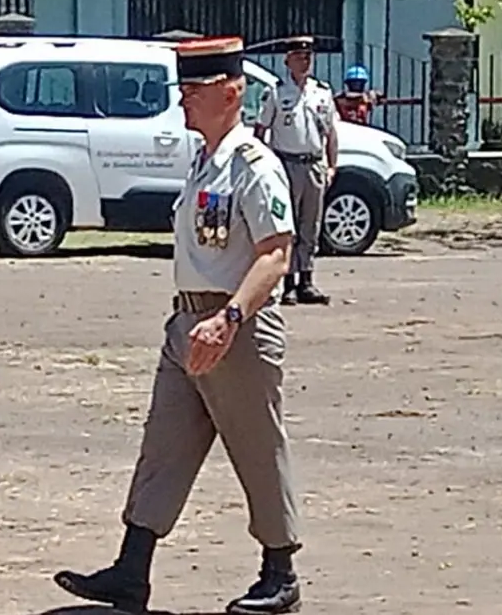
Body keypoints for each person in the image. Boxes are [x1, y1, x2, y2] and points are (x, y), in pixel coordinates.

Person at [54, 36, 302, 615]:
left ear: (232, 93)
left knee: (258, 448)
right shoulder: (204, 160)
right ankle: (131, 570)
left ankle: (280, 570)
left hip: (234, 325)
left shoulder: (253, 165)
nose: (184, 100)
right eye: (183, 89)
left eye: (195, 89)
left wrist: (231, 317)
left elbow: (276, 254)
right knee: (163, 446)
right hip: (188, 321)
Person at [252, 36, 336, 306]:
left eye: (308, 56)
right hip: (286, 164)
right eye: (299, 57)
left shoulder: (321, 92)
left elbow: (331, 133)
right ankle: (287, 282)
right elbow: (261, 130)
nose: (305, 61)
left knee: (311, 225)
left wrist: (332, 165)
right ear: (287, 61)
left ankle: (307, 281)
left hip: (313, 164)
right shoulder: (277, 92)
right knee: (288, 226)